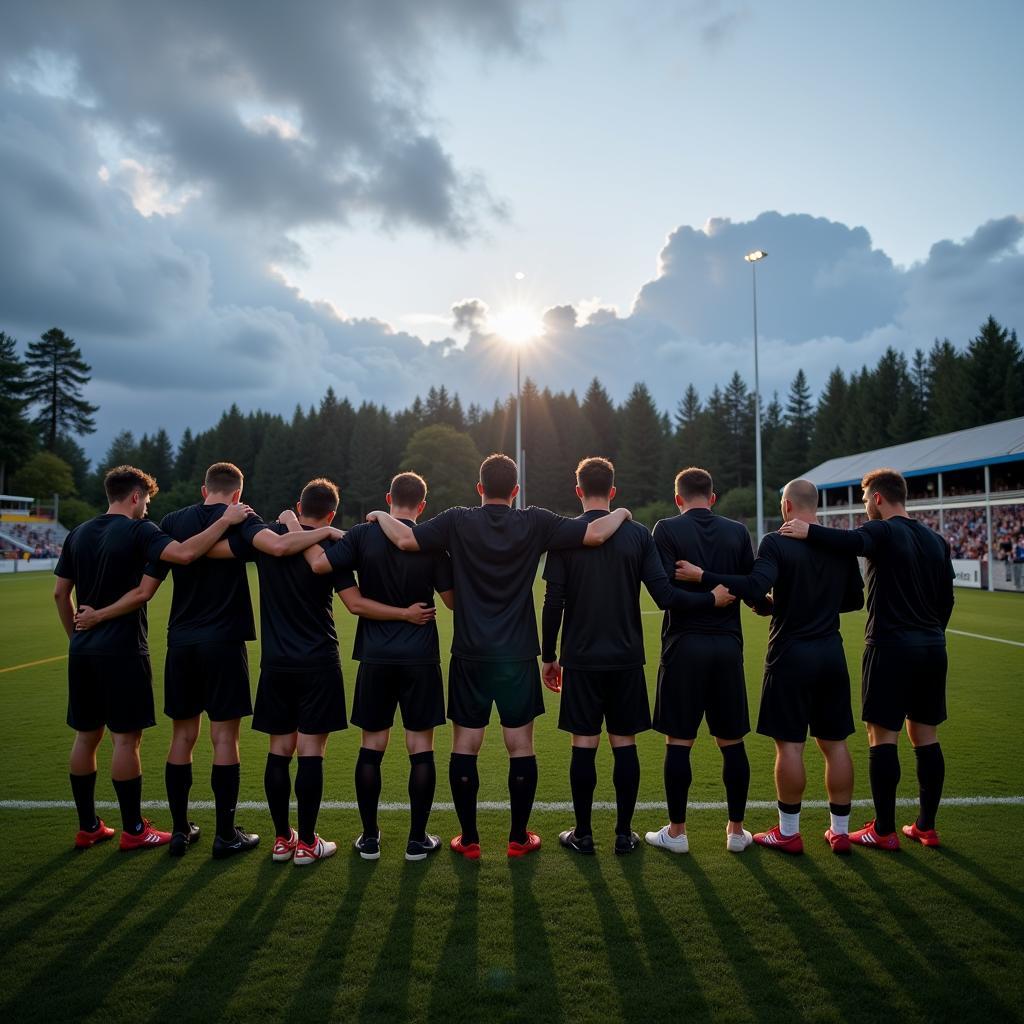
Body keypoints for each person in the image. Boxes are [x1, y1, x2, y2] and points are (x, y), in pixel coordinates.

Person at [367, 453, 631, 860]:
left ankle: (469, 840)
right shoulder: (535, 520)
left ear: (479, 488)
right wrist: (625, 511)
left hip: (470, 652)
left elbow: (404, 538)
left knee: (465, 745)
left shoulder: (457, 519)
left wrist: (376, 515)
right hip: (518, 652)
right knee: (520, 745)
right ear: (516, 490)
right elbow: (596, 534)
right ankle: (517, 837)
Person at [75, 461, 345, 858]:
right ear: (236, 494)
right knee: (224, 738)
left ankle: (181, 831)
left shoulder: (170, 520)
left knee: (182, 737)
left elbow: (154, 580)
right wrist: (321, 529)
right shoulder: (242, 518)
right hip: (224, 640)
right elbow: (278, 546)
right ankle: (225, 834)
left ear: (204, 490)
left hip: (180, 641)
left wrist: (97, 613)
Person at [541, 457, 734, 856]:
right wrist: (711, 599)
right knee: (623, 743)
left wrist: (548, 654)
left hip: (581, 657)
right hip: (627, 657)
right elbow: (665, 596)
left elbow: (552, 601)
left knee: (584, 744)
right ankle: (624, 834)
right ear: (613, 491)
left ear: (578, 491)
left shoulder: (564, 537)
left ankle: (584, 834)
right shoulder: (638, 535)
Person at [53, 465, 251, 851]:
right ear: (135, 497)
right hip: (123, 650)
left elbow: (61, 594)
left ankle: (89, 826)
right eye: (146, 501)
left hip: (84, 651)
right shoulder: (140, 530)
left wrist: (77, 633)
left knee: (86, 735)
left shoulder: (77, 533)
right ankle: (134, 830)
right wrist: (226, 518)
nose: (146, 508)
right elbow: (182, 557)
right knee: (126, 740)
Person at [676, 478, 864, 854]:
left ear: (788, 506)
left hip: (791, 654)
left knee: (790, 746)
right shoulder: (838, 545)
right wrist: (813, 605)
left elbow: (752, 584)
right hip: (831, 652)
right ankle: (840, 831)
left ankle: (789, 832)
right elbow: (855, 601)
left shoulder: (778, 542)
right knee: (835, 743)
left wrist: (703, 577)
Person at [780, 467, 954, 849]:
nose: (864, 508)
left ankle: (884, 830)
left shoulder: (882, 530)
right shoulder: (937, 540)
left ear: (877, 498)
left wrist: (806, 530)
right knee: (926, 735)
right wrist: (931, 634)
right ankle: (926, 826)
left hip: (890, 646)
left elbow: (849, 541)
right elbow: (946, 603)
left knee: (882, 736)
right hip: (932, 648)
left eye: (864, 500)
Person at [305, 471, 454, 862]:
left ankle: (370, 839)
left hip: (375, 655)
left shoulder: (360, 535)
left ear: (389, 497)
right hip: (420, 655)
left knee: (372, 746)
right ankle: (416, 841)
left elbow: (330, 577)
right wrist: (409, 612)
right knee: (420, 747)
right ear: (422, 505)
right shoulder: (431, 543)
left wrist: (326, 532)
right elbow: (452, 600)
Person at [645, 467, 768, 855]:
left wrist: (704, 593)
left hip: (684, 648)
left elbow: (663, 594)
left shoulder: (665, 529)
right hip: (727, 648)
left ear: (678, 497)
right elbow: (753, 593)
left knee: (679, 742)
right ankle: (735, 831)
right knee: (731, 742)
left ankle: (677, 833)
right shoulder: (736, 532)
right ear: (712, 497)